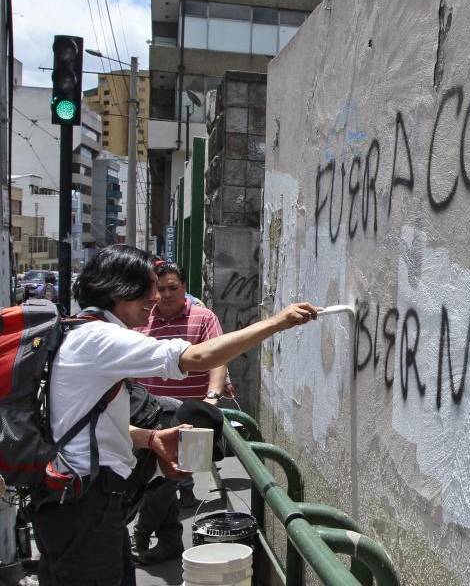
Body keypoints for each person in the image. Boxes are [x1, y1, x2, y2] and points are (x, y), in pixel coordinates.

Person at [30, 245, 319, 586]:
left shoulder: (80, 331)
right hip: (85, 506)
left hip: (81, 503)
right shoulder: (100, 337)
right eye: (149, 287)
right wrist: (277, 322)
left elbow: (86, 419)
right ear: (120, 289)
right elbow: (197, 357)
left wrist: (148, 438)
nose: (155, 297)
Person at [131, 259, 230, 563]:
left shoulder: (202, 317)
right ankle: (171, 541)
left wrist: (212, 399)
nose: (166, 294)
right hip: (147, 416)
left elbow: (218, 357)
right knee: (157, 478)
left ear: (185, 287)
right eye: (160, 289)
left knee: (161, 481)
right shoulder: (143, 319)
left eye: (173, 287)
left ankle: (142, 531)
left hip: (187, 419)